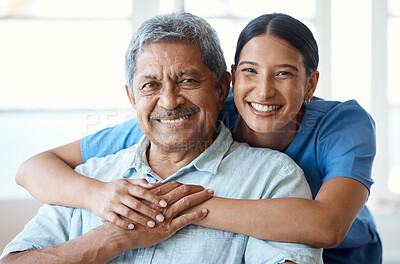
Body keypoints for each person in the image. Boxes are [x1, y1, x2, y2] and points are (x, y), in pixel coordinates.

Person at [13, 12, 381, 264]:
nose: (264, 92)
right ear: (233, 81)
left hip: (347, 250)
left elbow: (328, 226)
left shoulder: (335, 130)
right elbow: (32, 169)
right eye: (251, 73)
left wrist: (168, 210)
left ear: (219, 86)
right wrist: (99, 200)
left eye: (188, 80)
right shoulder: (161, 129)